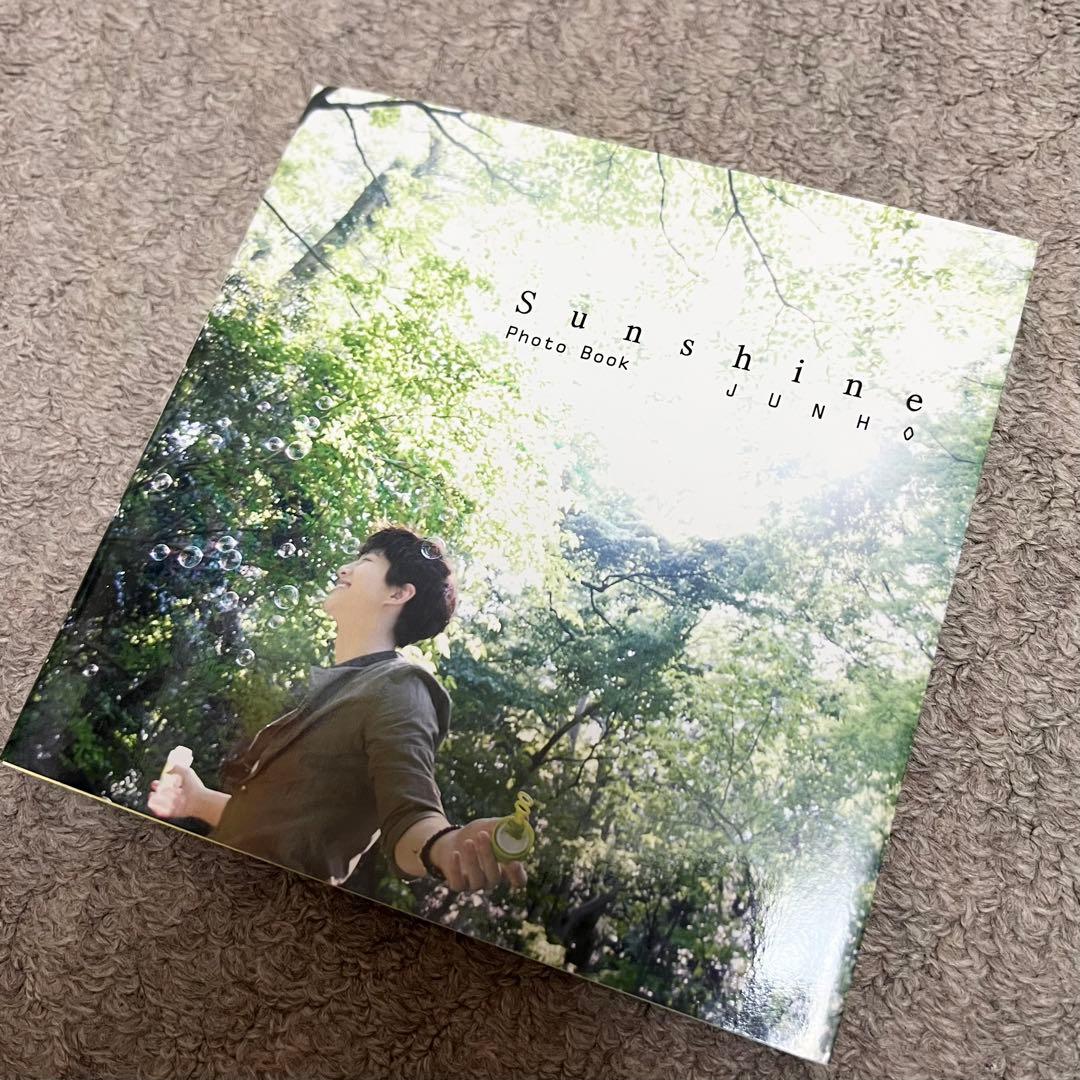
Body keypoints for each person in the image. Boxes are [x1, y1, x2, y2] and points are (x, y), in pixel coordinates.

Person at [147, 524, 526, 895]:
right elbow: (283, 832)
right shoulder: (339, 688)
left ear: (398, 593)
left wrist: (443, 846)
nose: (344, 569)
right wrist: (197, 801)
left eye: (366, 561)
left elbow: (412, 813)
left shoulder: (401, 686)